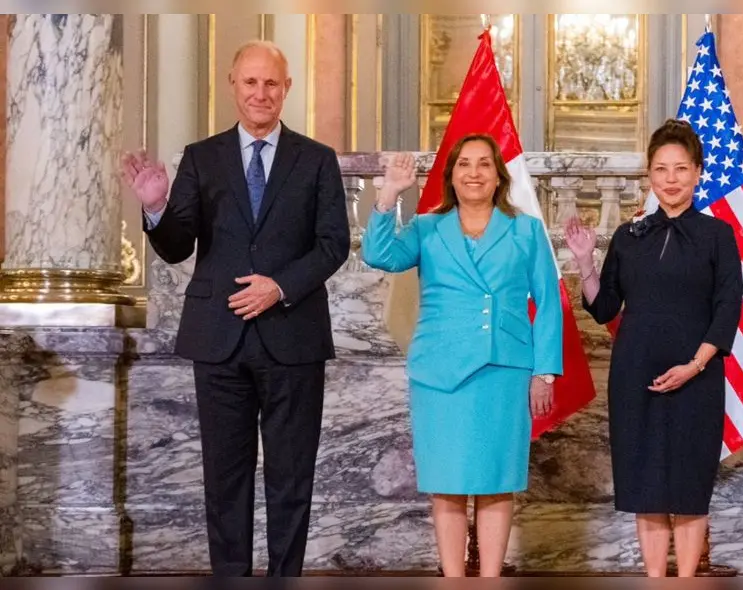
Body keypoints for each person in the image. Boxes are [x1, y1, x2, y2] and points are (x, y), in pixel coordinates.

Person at [119, 40, 351, 576]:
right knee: (225, 477)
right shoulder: (203, 157)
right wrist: (155, 206)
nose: (260, 93)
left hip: (292, 336)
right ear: (232, 85)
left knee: (292, 477)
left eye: (271, 83)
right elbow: (178, 244)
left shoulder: (316, 159)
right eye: (250, 82)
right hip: (218, 338)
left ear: (287, 88)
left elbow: (332, 243)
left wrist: (279, 286)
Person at [361, 134, 563, 577]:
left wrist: (545, 372)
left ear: (498, 176)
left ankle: (490, 578)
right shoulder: (428, 226)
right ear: (451, 175)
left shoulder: (525, 229)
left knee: (496, 483)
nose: (474, 172)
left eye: (484, 164)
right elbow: (379, 255)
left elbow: (549, 301)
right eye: (464, 164)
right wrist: (389, 194)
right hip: (440, 375)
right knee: (447, 486)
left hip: (503, 371)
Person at [564, 118, 743, 577]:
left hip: (696, 378)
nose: (670, 179)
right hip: (636, 377)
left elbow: (728, 307)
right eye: (661, 169)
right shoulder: (629, 236)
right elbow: (604, 308)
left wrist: (695, 365)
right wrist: (585, 261)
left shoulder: (718, 236)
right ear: (649, 175)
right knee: (647, 488)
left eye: (680, 169)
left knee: (687, 487)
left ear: (698, 172)